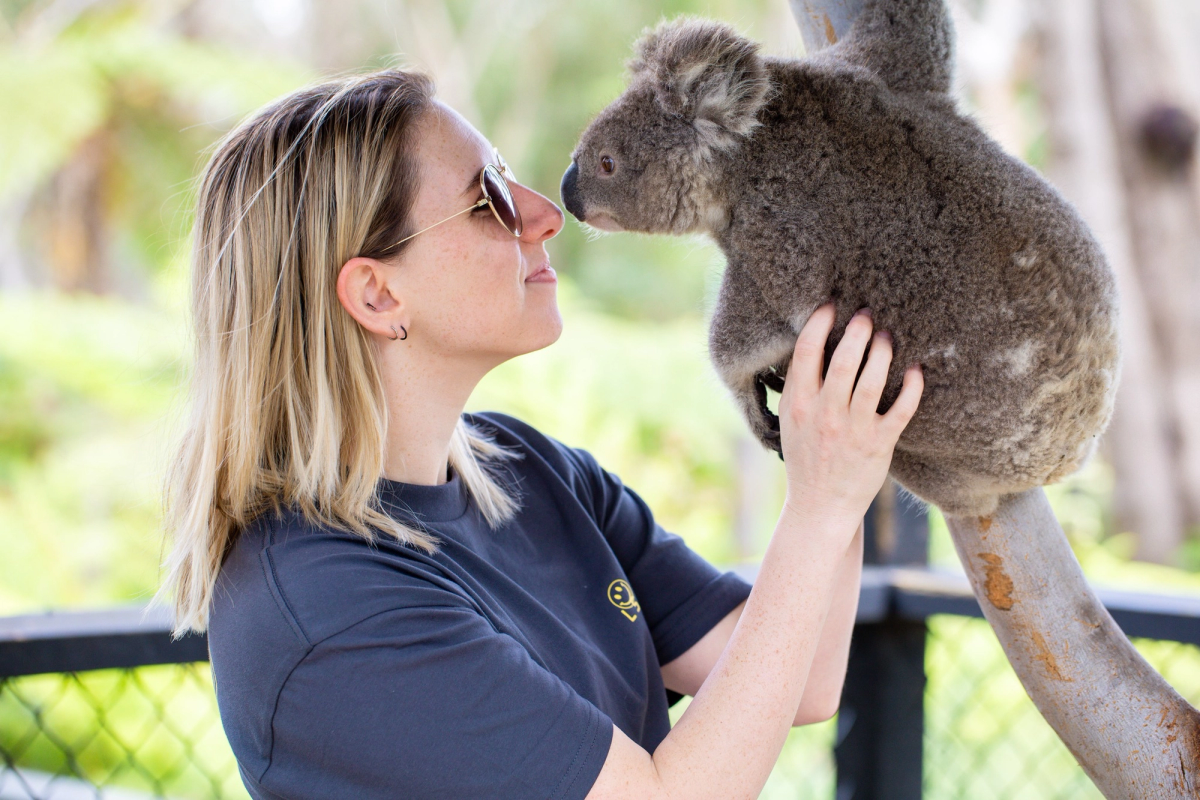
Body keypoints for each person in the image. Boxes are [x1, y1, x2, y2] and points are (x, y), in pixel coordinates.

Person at [154, 68, 923, 800]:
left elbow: (812, 673)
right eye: (487, 197)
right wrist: (820, 502)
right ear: (378, 294)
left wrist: (835, 425)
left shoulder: (529, 470)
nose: (546, 212)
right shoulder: (331, 606)